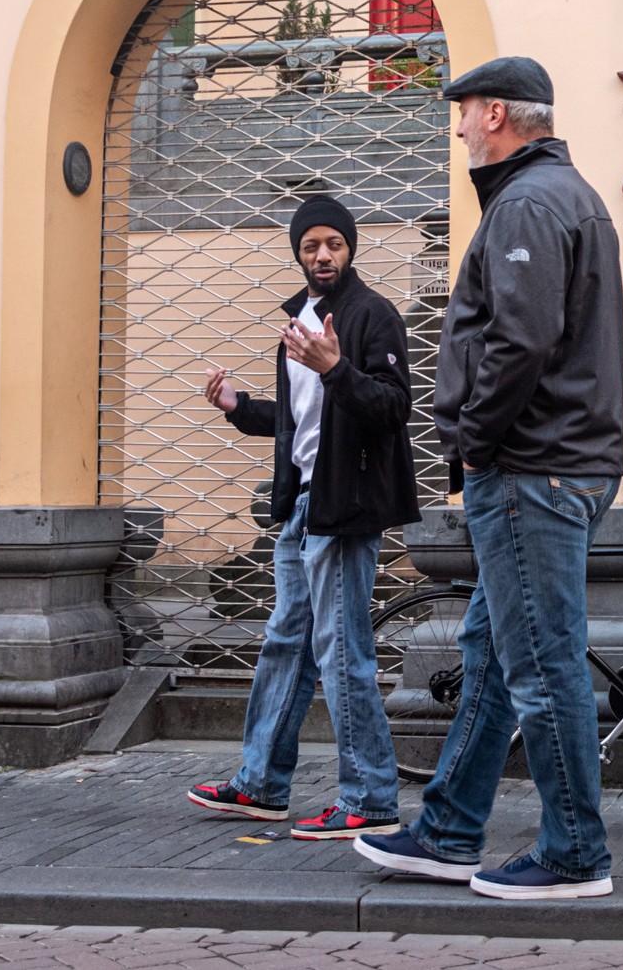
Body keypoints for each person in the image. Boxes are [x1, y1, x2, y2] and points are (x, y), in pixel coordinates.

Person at [355, 56, 623, 901]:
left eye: (465, 113)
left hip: (530, 469)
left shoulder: (529, 204)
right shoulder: (559, 195)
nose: (462, 127)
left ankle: (577, 851)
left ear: (500, 114)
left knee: (541, 666)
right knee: (490, 650)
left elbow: (519, 341)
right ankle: (447, 828)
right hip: (553, 463)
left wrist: (473, 441)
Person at [186, 195, 418, 840]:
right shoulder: (299, 321)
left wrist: (337, 368)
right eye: (312, 245)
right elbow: (298, 428)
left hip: (346, 509)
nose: (323, 255)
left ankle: (370, 798)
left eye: (334, 244)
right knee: (287, 641)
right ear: (298, 252)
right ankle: (260, 786)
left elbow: (393, 408)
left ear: (350, 249)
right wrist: (238, 406)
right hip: (302, 506)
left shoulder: (373, 315)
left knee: (343, 653)